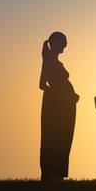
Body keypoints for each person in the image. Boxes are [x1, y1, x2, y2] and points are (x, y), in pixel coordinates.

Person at [39, 32, 79, 181]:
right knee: (52, 138)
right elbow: (42, 85)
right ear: (56, 42)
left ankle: (58, 175)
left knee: (63, 138)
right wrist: (63, 98)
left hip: (65, 106)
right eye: (64, 41)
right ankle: (50, 175)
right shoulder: (49, 60)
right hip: (55, 106)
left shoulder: (55, 60)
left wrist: (70, 97)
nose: (66, 45)